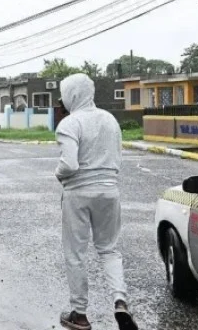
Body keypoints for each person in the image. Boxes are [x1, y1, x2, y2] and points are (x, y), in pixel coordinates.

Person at [55, 74, 138, 330]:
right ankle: (120, 300)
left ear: (72, 94)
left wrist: (58, 174)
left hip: (78, 193)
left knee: (76, 253)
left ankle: (79, 314)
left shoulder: (70, 123)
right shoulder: (110, 120)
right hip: (110, 191)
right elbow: (118, 158)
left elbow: (69, 164)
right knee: (109, 249)